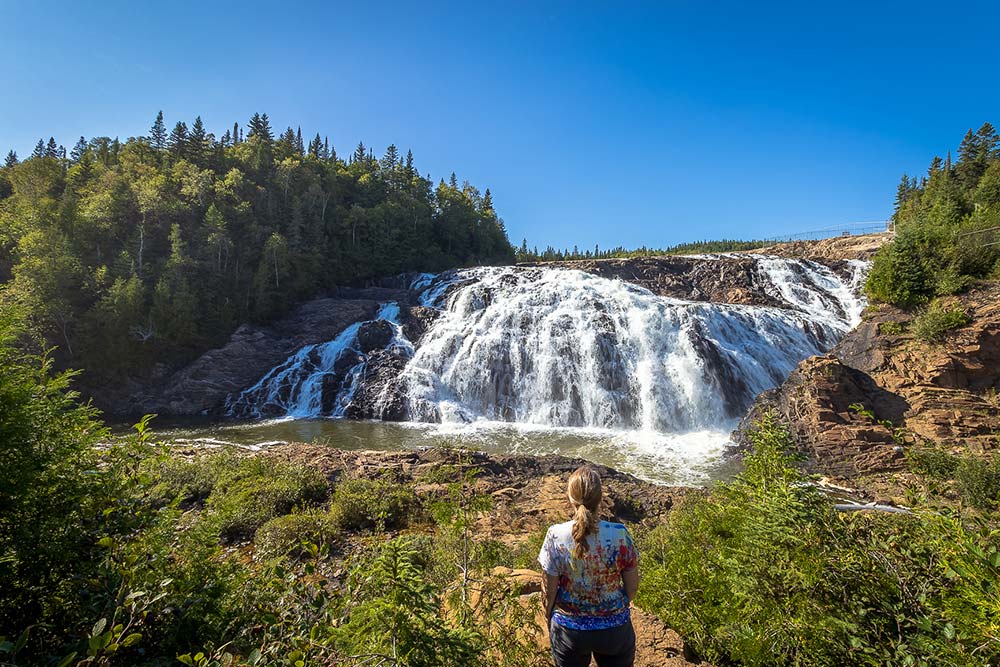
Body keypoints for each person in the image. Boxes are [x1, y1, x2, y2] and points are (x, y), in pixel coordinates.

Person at [537, 465, 639, 667]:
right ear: (600, 498)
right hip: (615, 630)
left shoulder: (555, 535)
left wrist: (549, 613)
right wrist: (616, 608)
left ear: (570, 498)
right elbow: (632, 588)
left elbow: (549, 590)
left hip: (569, 631)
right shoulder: (620, 534)